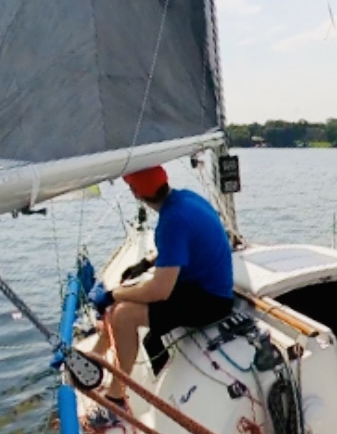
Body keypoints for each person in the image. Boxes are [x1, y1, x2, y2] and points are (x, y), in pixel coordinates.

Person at [85, 164, 234, 405]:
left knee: (123, 315)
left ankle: (115, 397)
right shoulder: (187, 198)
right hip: (203, 286)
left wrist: (113, 294)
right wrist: (146, 263)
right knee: (125, 298)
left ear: (135, 193)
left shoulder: (171, 222)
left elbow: (160, 291)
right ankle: (94, 359)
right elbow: (181, 245)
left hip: (211, 301)